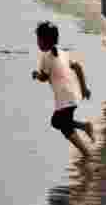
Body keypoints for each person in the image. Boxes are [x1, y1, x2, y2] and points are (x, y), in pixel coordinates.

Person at [32, 22, 94, 157]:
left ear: (45, 40)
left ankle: (86, 150)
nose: (37, 42)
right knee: (61, 124)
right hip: (73, 93)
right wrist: (84, 88)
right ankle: (85, 133)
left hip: (65, 97)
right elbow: (78, 67)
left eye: (38, 39)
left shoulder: (46, 57)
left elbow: (43, 78)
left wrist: (36, 75)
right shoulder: (63, 53)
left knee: (59, 123)